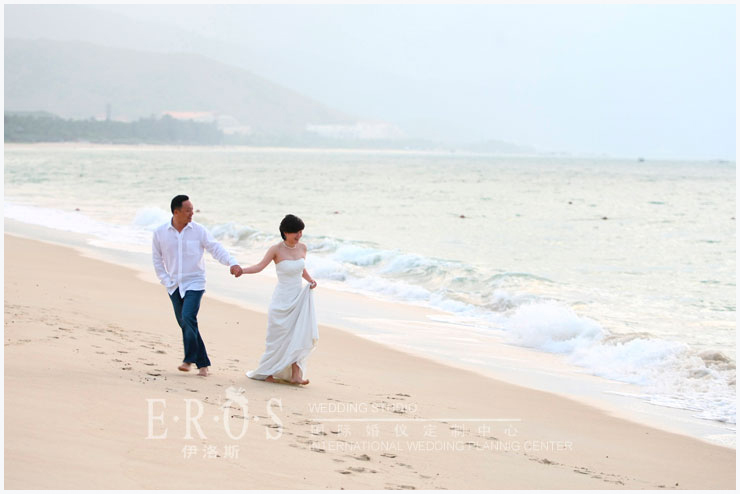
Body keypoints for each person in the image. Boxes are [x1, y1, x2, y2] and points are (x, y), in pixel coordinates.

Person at [152, 194, 242, 377]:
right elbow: (157, 259)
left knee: (188, 317)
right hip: (173, 284)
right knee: (186, 323)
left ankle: (188, 360)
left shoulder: (199, 231)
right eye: (188, 210)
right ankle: (203, 364)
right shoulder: (160, 233)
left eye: (192, 210)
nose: (192, 213)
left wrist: (232, 263)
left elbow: (215, 248)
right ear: (176, 212)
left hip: (195, 282)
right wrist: (166, 280)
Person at [236, 214, 318, 385]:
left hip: (298, 300)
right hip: (281, 300)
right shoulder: (276, 250)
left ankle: (296, 375)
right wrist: (242, 271)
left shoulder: (303, 248)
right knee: (276, 338)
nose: (299, 235)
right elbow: (259, 266)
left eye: (301, 232)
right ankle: (268, 372)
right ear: (285, 232)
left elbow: (300, 269)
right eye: (296, 232)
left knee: (298, 335)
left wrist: (310, 280)